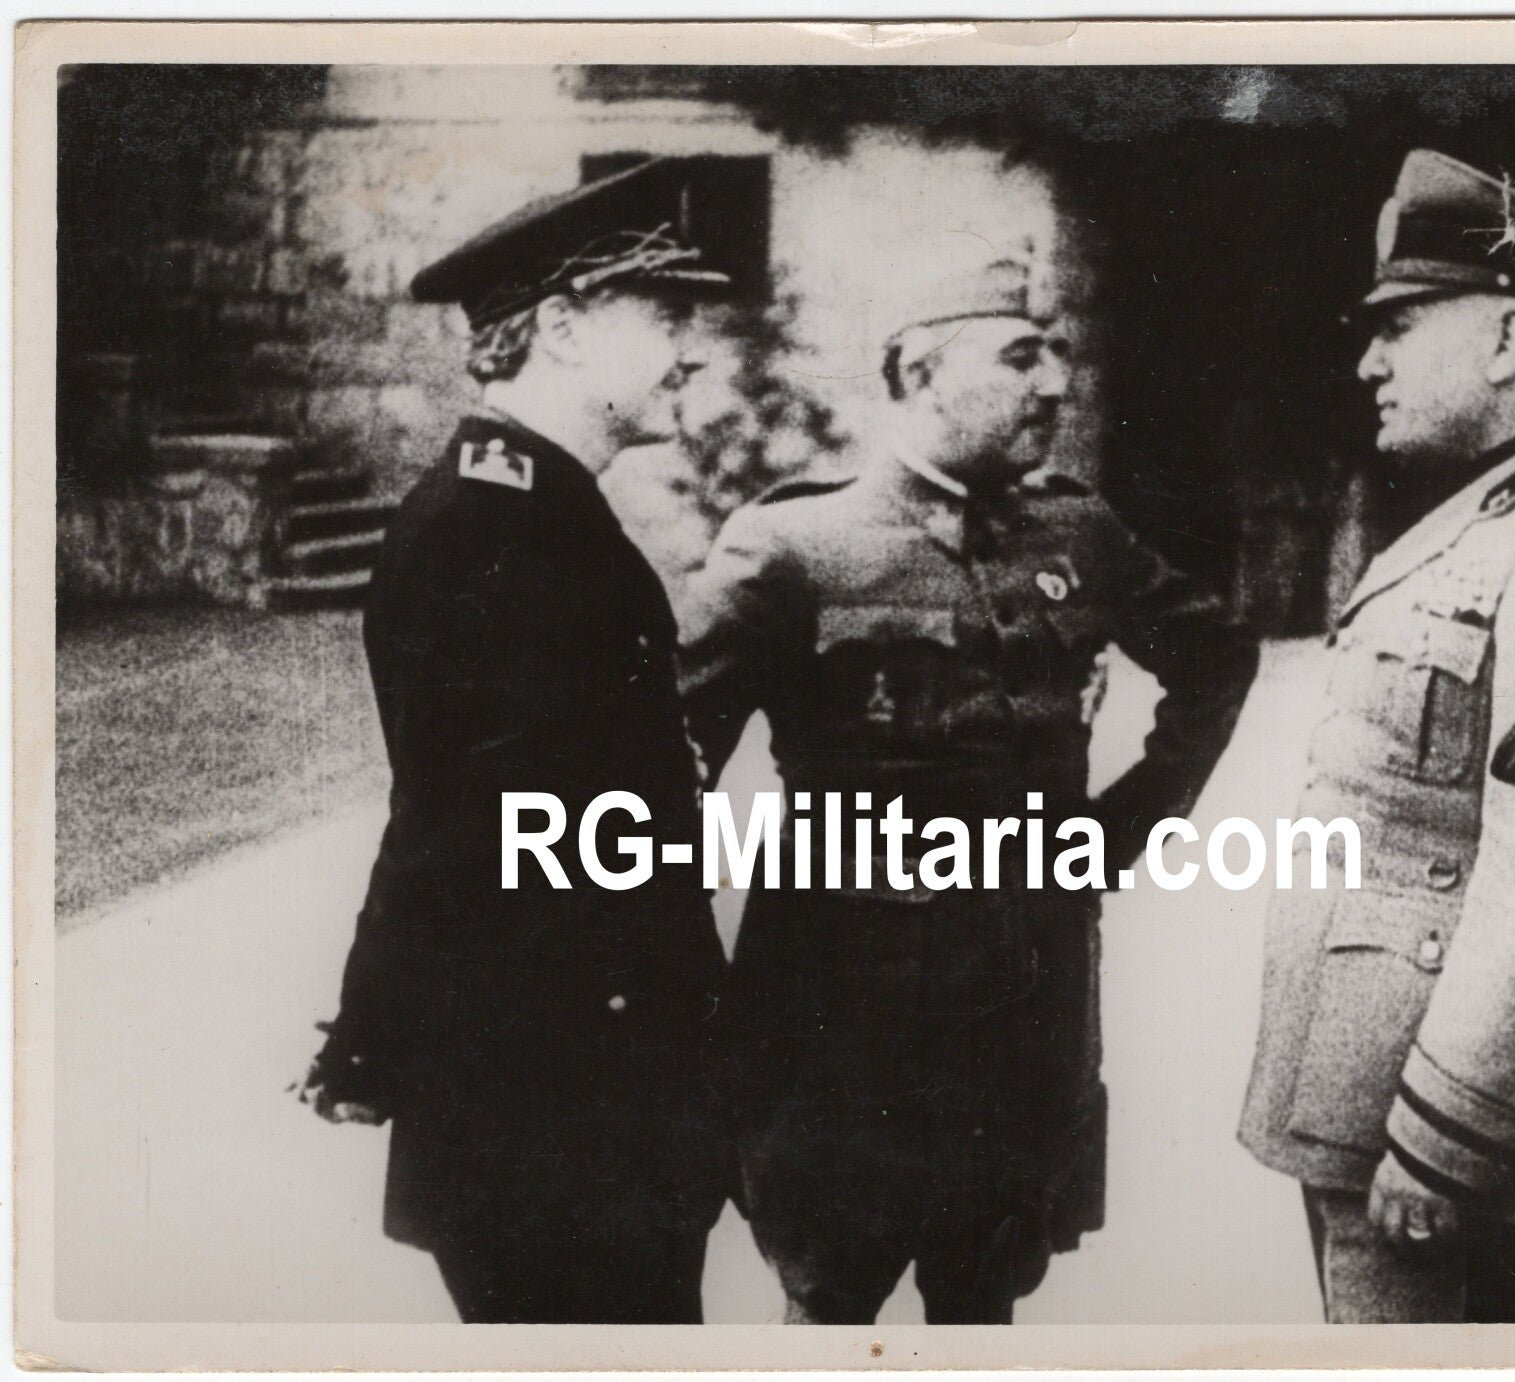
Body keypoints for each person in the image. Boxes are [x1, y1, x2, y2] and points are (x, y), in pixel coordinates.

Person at [678, 251, 1259, 1324]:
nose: (1055, 384)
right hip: (840, 1036)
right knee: (830, 1305)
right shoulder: (795, 546)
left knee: (984, 1303)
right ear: (916, 373)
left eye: (1058, 357)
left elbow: (1215, 655)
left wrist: (1119, 827)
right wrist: (692, 984)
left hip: (1025, 1020)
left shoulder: (1079, 531)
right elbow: (668, 765)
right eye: (1020, 355)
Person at [1238, 149, 1515, 1323]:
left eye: (1400, 325)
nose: (1365, 361)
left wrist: (1447, 1138)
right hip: (1375, 1101)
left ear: (1504, 342)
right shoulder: (1479, 519)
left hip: (1473, 1153)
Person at [299, 158, 738, 1324]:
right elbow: (458, 829)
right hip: (561, 1121)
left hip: (569, 1111)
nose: (689, 348)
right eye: (664, 314)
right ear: (561, 327)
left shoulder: (534, 514)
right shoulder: (493, 534)